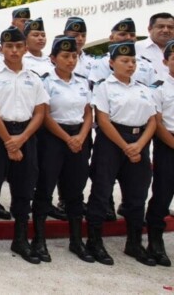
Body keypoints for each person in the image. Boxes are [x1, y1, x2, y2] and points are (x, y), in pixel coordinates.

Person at [0, 26, 48, 264]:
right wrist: (10, 141)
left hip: (26, 135)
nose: (14, 50)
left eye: (19, 46)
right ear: (1, 49)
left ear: (25, 48)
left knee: (24, 188)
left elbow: (40, 112)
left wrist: (21, 139)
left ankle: (20, 239)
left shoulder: (34, 78)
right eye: (9, 46)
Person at [86, 42, 157, 266]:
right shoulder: (103, 87)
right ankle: (94, 241)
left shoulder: (144, 89)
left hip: (140, 142)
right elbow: (103, 120)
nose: (130, 65)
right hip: (112, 142)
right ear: (111, 63)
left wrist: (139, 145)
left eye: (133, 61)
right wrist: (126, 146)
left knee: (137, 195)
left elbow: (153, 120)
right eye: (124, 61)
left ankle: (134, 242)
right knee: (101, 191)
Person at [32, 36, 94, 263]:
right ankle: (39, 240)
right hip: (54, 138)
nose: (70, 60)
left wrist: (81, 136)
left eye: (74, 56)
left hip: (79, 137)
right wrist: (67, 138)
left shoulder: (82, 82)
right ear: (53, 58)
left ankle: (76, 240)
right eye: (65, 56)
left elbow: (88, 112)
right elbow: (45, 114)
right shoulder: (46, 82)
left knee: (75, 190)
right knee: (45, 187)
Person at [146, 39, 174, 266]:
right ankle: (155, 241)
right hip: (168, 144)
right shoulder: (158, 88)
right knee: (163, 193)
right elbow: (157, 122)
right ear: (165, 61)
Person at [88, 18, 156, 86]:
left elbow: (153, 90)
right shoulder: (101, 62)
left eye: (132, 35)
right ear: (111, 38)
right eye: (123, 34)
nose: (128, 37)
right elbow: (96, 89)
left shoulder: (146, 63)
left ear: (136, 39)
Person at [137, 13, 174, 77]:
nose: (166, 30)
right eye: (161, 26)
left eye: (170, 27)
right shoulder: (137, 47)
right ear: (149, 29)